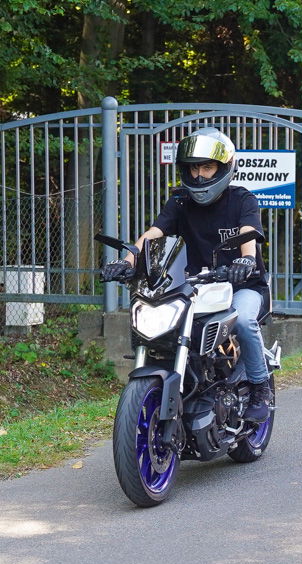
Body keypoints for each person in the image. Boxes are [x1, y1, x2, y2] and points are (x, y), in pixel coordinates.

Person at [100, 127, 273, 421]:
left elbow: (248, 233)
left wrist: (245, 261)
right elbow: (154, 234)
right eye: (194, 169)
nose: (200, 176)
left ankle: (259, 388)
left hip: (242, 286)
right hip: (195, 286)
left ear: (224, 168)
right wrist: (128, 261)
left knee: (243, 321)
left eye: (207, 167)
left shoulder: (242, 200)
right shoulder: (180, 201)